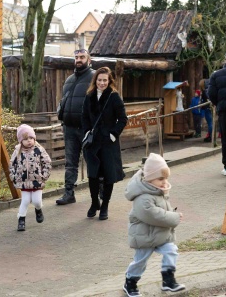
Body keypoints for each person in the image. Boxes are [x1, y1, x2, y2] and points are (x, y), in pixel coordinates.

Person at [123, 153, 185, 297]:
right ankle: (130, 282)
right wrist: (174, 217)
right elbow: (153, 215)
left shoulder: (157, 192)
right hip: (144, 236)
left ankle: (168, 280)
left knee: (171, 250)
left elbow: (163, 211)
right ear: (149, 178)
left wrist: (172, 213)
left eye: (166, 178)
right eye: (160, 178)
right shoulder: (142, 197)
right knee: (140, 261)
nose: (164, 182)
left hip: (159, 234)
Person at [81, 66, 128, 220]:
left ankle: (105, 206)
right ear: (95, 80)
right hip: (93, 143)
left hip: (108, 143)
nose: (102, 83)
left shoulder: (114, 97)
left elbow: (122, 119)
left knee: (109, 175)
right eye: (99, 80)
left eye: (105, 80)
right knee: (93, 175)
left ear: (109, 81)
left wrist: (113, 134)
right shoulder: (89, 96)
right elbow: (85, 117)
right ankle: (95, 202)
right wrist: (87, 132)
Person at [56, 48, 96, 205]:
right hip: (70, 128)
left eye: (82, 57)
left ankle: (99, 193)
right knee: (70, 163)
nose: (79, 60)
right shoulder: (69, 80)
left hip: (87, 129)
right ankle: (69, 193)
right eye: (76, 57)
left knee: (92, 161)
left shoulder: (94, 78)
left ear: (89, 60)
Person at [9, 124, 52, 231]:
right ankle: (21, 219)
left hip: (37, 181)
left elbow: (47, 162)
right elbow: (12, 165)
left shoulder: (39, 149)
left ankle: (38, 209)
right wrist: (14, 176)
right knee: (26, 200)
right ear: (20, 140)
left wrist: (44, 175)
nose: (29, 141)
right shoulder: (17, 151)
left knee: (37, 201)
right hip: (24, 181)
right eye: (26, 139)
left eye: (31, 138)